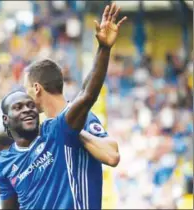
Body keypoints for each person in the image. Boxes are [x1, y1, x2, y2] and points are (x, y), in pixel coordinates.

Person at [22, 3, 126, 209]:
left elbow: (112, 155)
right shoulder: (44, 130)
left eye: (25, 89)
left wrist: (72, 132)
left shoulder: (81, 118)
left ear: (36, 88)